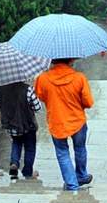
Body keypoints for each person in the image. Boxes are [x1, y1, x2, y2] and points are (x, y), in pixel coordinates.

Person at [34, 58, 95, 191]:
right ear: (71, 60)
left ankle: (72, 184)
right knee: (80, 148)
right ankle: (81, 176)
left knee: (62, 152)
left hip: (56, 121)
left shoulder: (42, 79)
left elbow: (40, 96)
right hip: (77, 121)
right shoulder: (79, 78)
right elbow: (88, 102)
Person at [0, 80, 42, 179]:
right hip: (27, 125)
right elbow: (37, 107)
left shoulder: (0, 89)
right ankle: (28, 172)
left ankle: (14, 163)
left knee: (16, 142)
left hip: (11, 124)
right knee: (30, 148)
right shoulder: (28, 90)